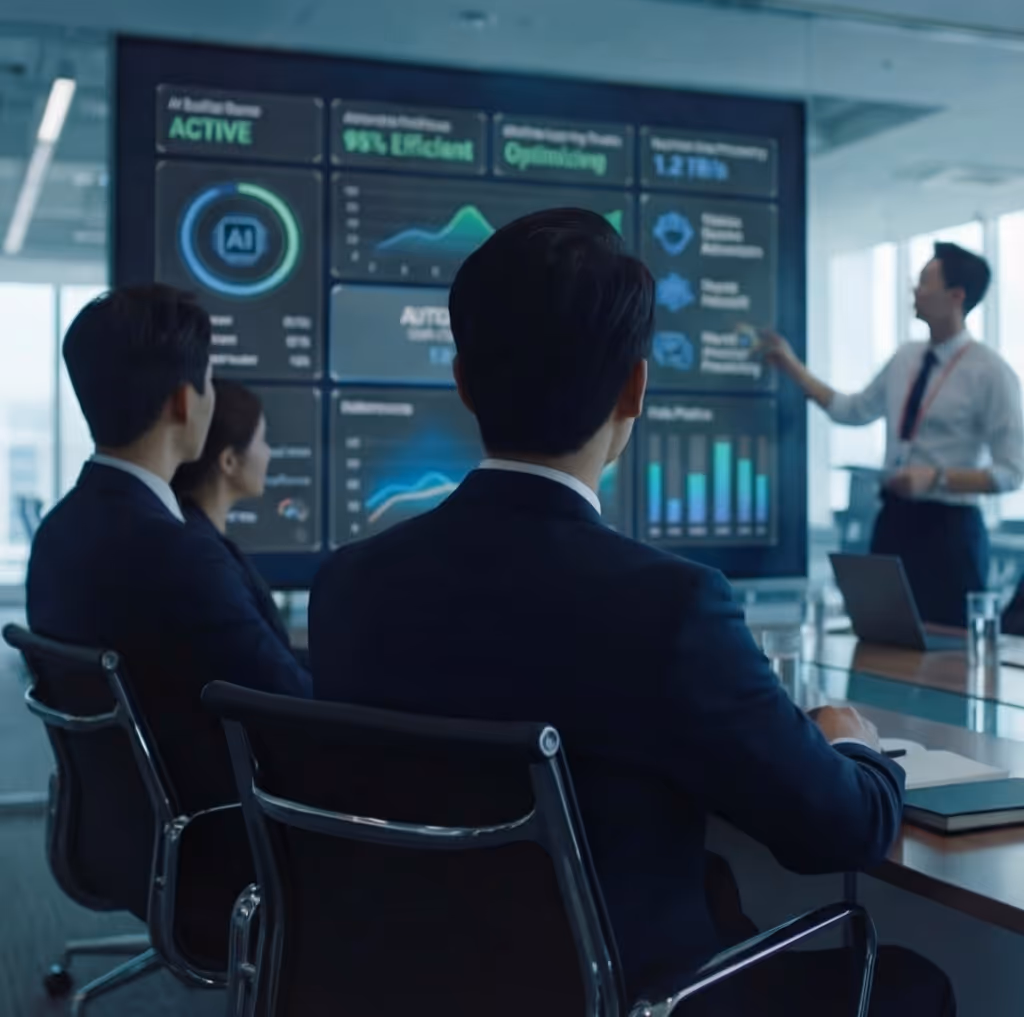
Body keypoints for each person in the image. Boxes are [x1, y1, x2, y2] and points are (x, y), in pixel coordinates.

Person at [309, 209, 953, 1015]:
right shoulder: (669, 606)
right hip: (621, 994)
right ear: (634, 388)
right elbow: (839, 830)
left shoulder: (348, 585)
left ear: (463, 380)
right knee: (913, 986)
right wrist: (852, 744)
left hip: (398, 984)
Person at [27, 285, 311, 965]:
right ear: (185, 402)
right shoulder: (177, 554)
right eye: (208, 380)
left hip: (121, 835)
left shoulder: (58, 533)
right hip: (218, 849)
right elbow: (296, 713)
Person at [765, 242, 1024, 627]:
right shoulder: (905, 358)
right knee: (881, 633)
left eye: (925, 283)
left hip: (950, 530)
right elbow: (852, 410)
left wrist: (936, 478)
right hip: (894, 520)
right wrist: (791, 367)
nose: (915, 291)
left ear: (956, 296)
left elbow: (1011, 473)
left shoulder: (991, 373)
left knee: (948, 648)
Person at [172, 378, 294, 653]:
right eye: (262, 441)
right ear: (229, 461)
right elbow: (269, 669)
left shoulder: (192, 534)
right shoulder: (208, 560)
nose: (268, 453)